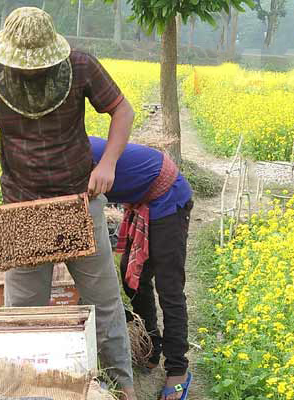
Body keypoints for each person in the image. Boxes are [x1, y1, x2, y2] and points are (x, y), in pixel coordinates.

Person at [0, 7, 137, 400]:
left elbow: (121, 109)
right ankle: (29, 390)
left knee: (104, 303)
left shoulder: (81, 65)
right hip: (22, 210)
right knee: (23, 315)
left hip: (79, 199)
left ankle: (122, 388)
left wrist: (108, 162)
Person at [90, 136, 194, 400]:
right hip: (143, 200)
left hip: (167, 195)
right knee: (132, 277)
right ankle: (152, 346)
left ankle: (178, 368)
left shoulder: (76, 156)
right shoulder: (58, 160)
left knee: (169, 287)